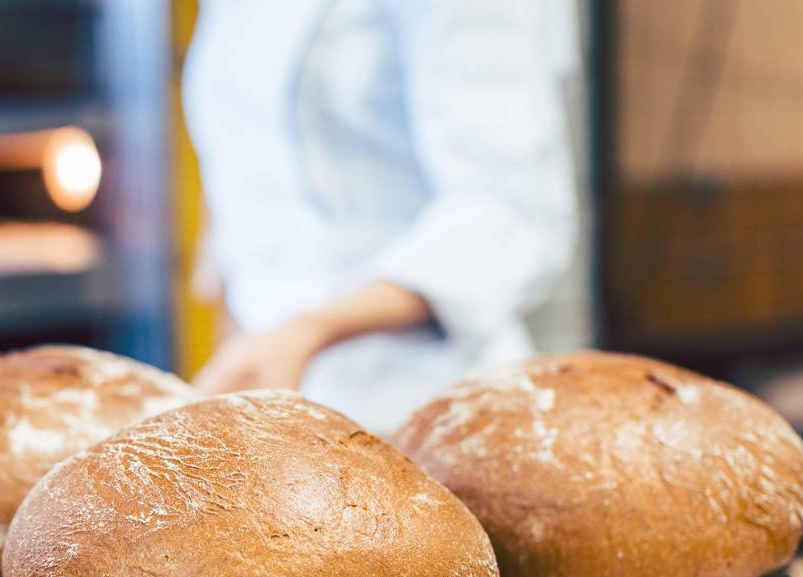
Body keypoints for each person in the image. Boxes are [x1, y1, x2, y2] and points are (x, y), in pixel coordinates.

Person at [184, 0, 578, 433]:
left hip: (429, 405)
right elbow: (245, 172)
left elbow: (508, 208)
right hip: (269, 398)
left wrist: (309, 331)